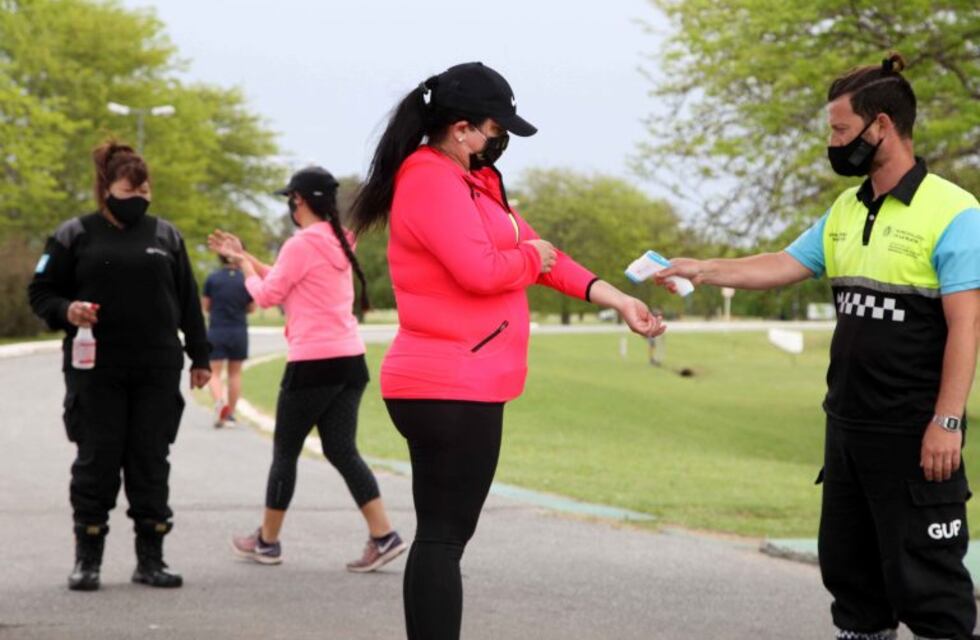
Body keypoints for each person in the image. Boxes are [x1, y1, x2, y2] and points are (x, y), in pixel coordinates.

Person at [656, 54, 980, 640]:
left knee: (930, 591)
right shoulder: (844, 209)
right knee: (852, 583)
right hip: (848, 428)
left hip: (914, 432)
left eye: (839, 130)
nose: (832, 143)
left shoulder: (955, 212)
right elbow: (781, 263)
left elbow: (967, 326)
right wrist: (705, 268)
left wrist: (948, 422)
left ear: (880, 126)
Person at [349, 61, 665, 640]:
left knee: (443, 538)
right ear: (463, 128)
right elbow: (482, 269)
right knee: (443, 539)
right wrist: (531, 259)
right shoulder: (429, 178)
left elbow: (542, 253)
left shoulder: (471, 182)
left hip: (460, 381)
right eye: (498, 131)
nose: (501, 143)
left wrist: (616, 298)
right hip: (448, 384)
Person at [27, 140, 211, 591]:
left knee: (151, 461)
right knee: (97, 460)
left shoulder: (165, 236)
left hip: (156, 368)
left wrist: (200, 358)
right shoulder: (75, 234)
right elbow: (40, 292)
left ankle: (151, 560)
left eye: (145, 190)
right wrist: (67, 310)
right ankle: (87, 560)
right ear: (106, 189)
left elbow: (187, 301)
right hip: (95, 371)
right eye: (130, 190)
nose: (139, 198)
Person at [211, 166, 405, 571]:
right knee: (341, 450)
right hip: (349, 362)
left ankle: (266, 541)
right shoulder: (338, 239)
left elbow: (266, 296)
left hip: (313, 364)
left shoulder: (300, 244)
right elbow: (286, 279)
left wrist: (244, 268)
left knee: (285, 451)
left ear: (299, 201)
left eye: (289, 199)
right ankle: (383, 535)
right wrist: (244, 256)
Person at [203, 253, 255, 428]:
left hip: (217, 329)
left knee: (214, 373)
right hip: (239, 330)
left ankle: (219, 403)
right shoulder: (246, 279)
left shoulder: (212, 279)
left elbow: (206, 306)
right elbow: (252, 307)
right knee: (235, 373)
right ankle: (230, 413)